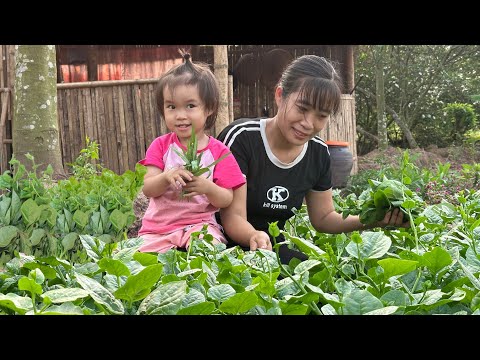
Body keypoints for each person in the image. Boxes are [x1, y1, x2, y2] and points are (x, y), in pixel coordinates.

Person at [217, 54, 409, 264]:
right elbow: (232, 218)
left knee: (323, 283)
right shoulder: (242, 138)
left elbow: (324, 218)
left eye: (321, 115)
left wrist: (374, 219)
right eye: (302, 108)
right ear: (280, 95)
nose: (308, 123)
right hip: (221, 245)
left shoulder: (317, 153)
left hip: (271, 247)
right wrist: (255, 236)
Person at [138, 53, 246, 253]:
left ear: (209, 108)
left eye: (190, 106)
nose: (180, 115)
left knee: (207, 249)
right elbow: (148, 188)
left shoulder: (219, 151)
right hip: (158, 229)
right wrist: (166, 177)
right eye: (171, 107)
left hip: (200, 225)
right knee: (144, 264)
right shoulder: (160, 146)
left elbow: (226, 199)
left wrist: (207, 187)